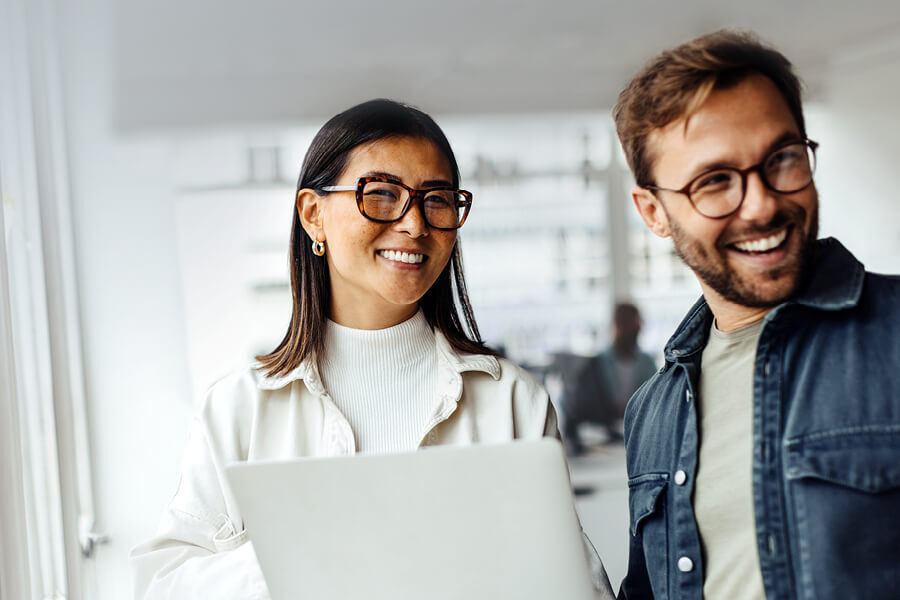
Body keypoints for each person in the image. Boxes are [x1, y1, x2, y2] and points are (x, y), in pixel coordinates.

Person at [130, 99, 614, 599]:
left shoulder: (512, 401)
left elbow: (579, 589)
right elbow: (163, 586)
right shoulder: (238, 409)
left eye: (437, 199)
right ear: (313, 215)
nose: (414, 225)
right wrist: (297, 553)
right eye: (381, 194)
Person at [613, 31, 900, 600]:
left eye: (782, 159)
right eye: (715, 181)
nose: (763, 203)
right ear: (654, 212)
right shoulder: (653, 411)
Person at [562, 303, 657, 454]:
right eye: (630, 322)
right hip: (602, 437)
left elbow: (655, 400)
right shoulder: (596, 364)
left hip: (637, 434)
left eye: (636, 322)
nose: (636, 327)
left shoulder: (647, 363)